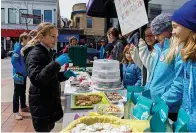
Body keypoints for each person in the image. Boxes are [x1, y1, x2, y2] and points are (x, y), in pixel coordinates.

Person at [21, 22, 76, 132]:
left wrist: (63, 75)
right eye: (52, 36)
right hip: (41, 105)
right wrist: (56, 64)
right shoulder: (34, 53)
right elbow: (37, 80)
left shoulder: (46, 51)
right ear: (41, 37)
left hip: (47, 103)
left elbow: (49, 77)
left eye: (56, 37)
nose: (55, 40)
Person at [140, 13, 183, 121]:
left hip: (168, 108)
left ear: (169, 30)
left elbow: (179, 84)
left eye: (158, 33)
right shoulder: (159, 49)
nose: (155, 37)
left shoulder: (177, 50)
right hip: (155, 104)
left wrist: (162, 102)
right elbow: (153, 77)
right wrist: (144, 93)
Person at [166, 1, 196, 131]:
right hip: (186, 124)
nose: (172, 32)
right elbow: (179, 85)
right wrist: (159, 103)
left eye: (175, 26)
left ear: (190, 27)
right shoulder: (186, 55)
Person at [11, 32, 31, 120]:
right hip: (19, 74)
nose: (29, 41)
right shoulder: (18, 49)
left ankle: (23, 106)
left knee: (23, 91)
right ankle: (15, 112)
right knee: (17, 93)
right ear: (23, 39)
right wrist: (22, 71)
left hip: (24, 74)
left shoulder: (25, 49)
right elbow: (14, 62)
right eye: (28, 39)